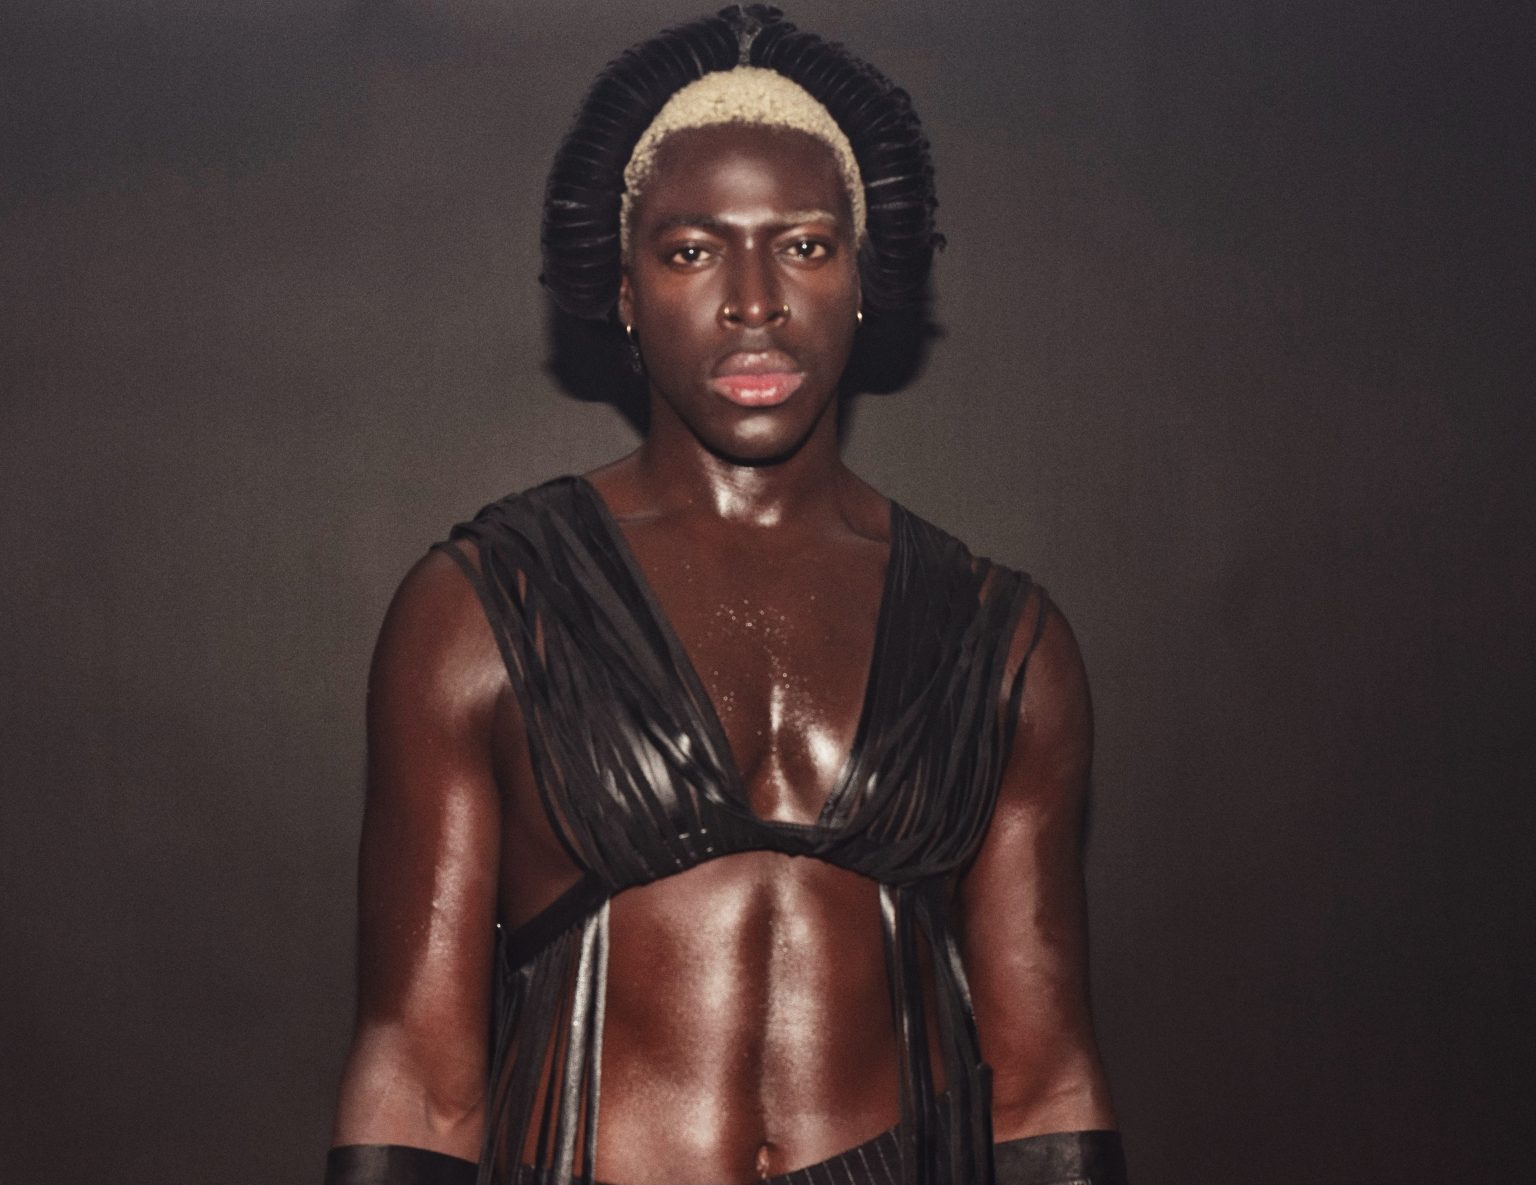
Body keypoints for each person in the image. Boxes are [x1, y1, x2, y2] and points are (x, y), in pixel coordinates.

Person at [326, 7, 1125, 1184]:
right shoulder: (484, 611)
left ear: (863, 277)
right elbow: (418, 1073)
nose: (755, 300)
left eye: (804, 244)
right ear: (625, 288)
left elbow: (1045, 1077)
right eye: (693, 251)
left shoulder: (998, 641)